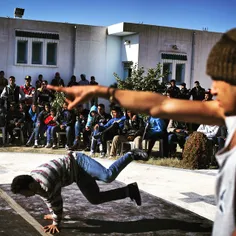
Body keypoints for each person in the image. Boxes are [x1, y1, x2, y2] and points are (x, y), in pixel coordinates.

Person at [48, 28, 236, 236]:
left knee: (105, 179)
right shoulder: (223, 112)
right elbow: (160, 105)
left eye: (221, 81)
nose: (213, 90)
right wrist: (99, 91)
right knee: (96, 195)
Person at [11, 149, 148, 234]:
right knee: (95, 199)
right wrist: (53, 214)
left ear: (30, 186)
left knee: (107, 176)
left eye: (24, 194)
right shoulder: (34, 181)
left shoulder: (46, 183)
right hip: (77, 176)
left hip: (78, 162)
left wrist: (56, 222)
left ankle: (131, 154)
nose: (26, 197)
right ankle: (129, 191)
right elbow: (48, 199)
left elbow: (57, 202)